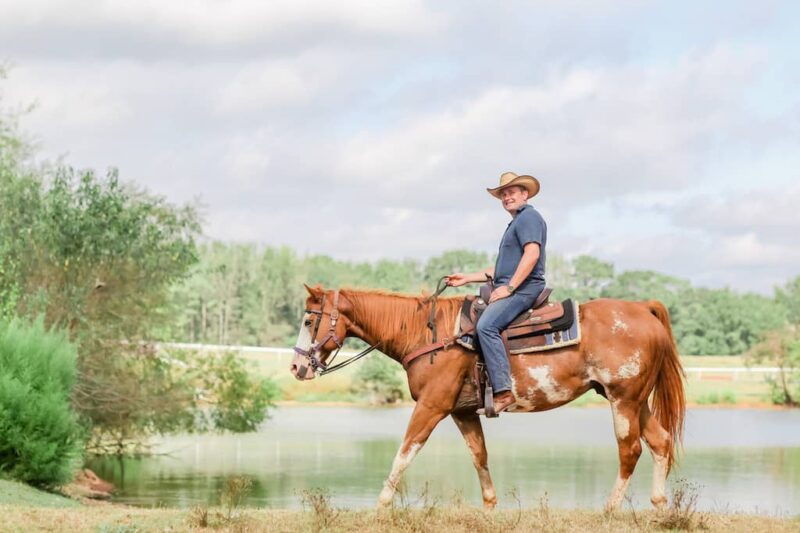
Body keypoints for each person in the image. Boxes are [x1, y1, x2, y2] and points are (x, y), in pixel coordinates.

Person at [446, 171, 547, 415]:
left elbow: (532, 254)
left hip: (524, 288)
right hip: (513, 285)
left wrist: (510, 287)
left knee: (486, 326)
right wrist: (467, 277)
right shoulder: (515, 223)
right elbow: (501, 269)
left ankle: (503, 392)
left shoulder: (529, 217)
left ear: (525, 194)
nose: (506, 197)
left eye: (512, 192)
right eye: (503, 194)